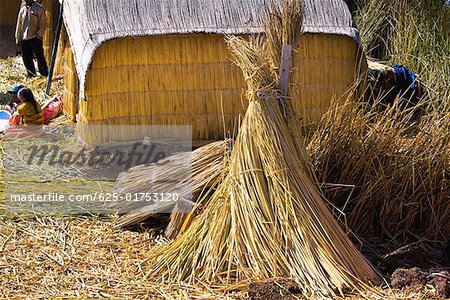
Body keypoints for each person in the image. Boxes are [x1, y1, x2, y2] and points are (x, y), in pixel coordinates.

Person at [15, 0, 49, 78]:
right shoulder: (23, 10)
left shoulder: (38, 8)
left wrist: (39, 35)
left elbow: (43, 23)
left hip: (35, 37)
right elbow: (19, 25)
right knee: (26, 57)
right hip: (24, 38)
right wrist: (18, 38)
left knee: (39, 56)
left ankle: (44, 74)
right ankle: (31, 74)